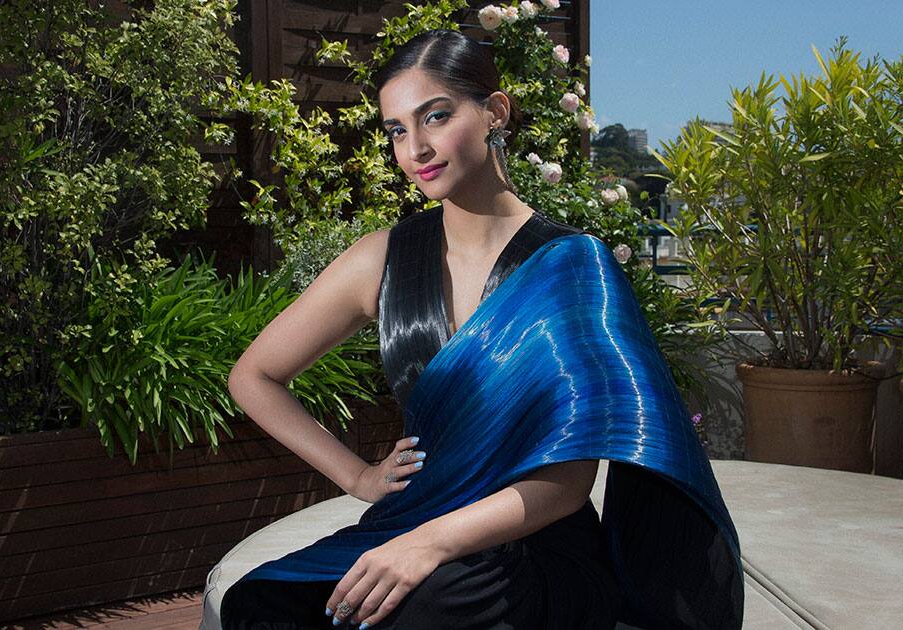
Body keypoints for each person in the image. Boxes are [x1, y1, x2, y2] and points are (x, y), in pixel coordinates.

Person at [218, 29, 743, 630]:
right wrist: (359, 477)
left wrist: (431, 544)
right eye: (396, 130)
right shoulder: (381, 259)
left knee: (422, 608)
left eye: (435, 117)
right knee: (259, 605)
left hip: (531, 540)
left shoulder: (573, 267)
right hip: (415, 517)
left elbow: (568, 484)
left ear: (494, 112)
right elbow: (254, 376)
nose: (415, 147)